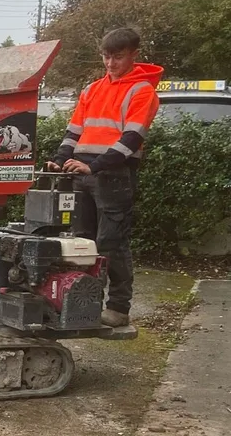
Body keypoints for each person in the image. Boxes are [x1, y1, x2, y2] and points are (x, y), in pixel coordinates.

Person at [46, 27, 162, 327]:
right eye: (106, 57)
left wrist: (94, 166)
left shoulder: (142, 91)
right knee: (82, 242)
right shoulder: (92, 89)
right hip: (83, 173)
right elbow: (74, 132)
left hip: (113, 175)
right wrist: (59, 161)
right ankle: (83, 304)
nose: (110, 64)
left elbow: (132, 139)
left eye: (118, 57)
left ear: (134, 55)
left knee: (111, 243)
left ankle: (118, 308)